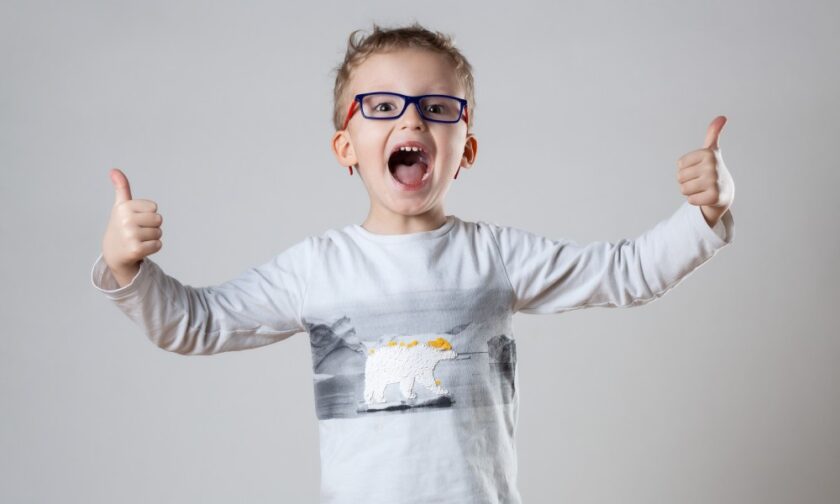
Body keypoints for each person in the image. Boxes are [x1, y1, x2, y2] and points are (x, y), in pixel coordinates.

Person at [90, 22, 735, 504]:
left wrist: (703, 213)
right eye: (382, 106)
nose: (413, 120)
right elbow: (195, 323)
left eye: (437, 107)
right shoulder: (319, 267)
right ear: (347, 146)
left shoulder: (496, 257)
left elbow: (626, 272)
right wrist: (127, 268)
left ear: (466, 147)